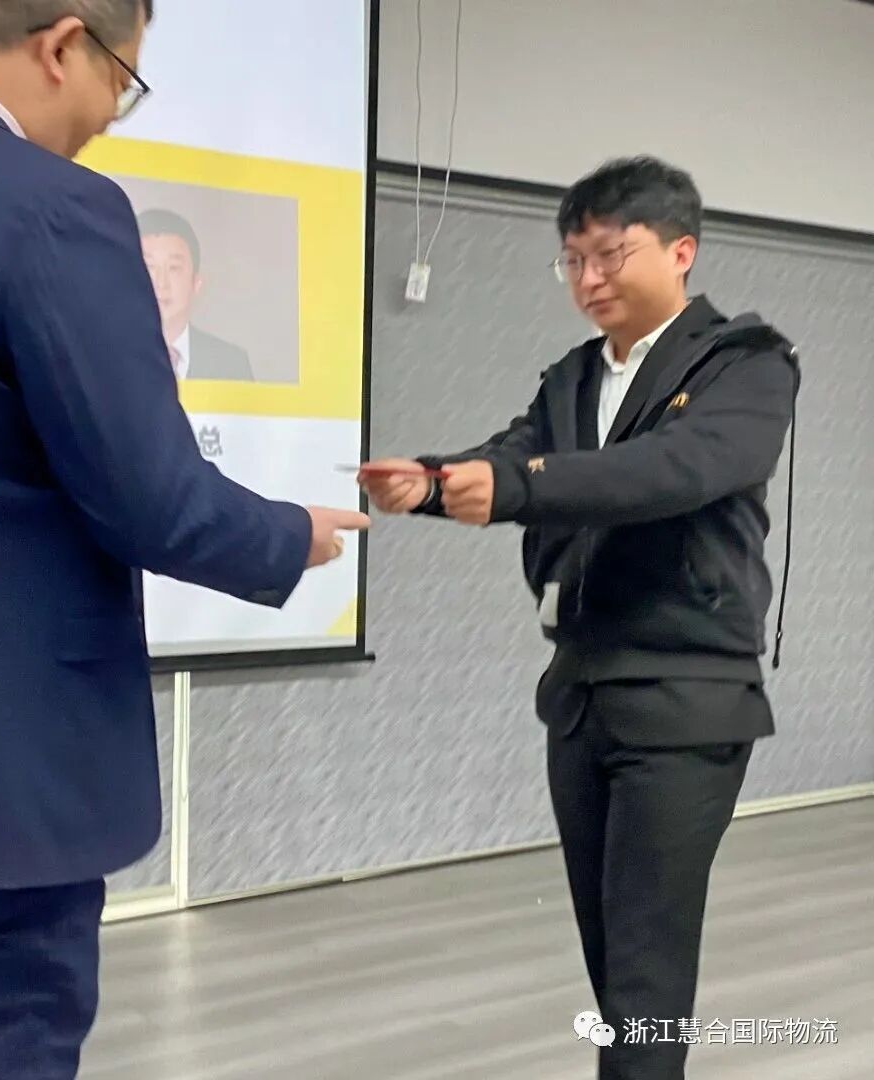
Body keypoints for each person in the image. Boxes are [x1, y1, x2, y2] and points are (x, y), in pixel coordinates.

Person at [0, 2, 367, 1078]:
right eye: (122, 80)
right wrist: (291, 535)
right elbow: (151, 498)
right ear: (63, 45)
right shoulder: (52, 208)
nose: (111, 115)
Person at [360, 156, 799, 1080]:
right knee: (612, 964)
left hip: (685, 698)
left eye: (610, 255)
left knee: (645, 972)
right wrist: (430, 483)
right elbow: (515, 454)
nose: (589, 279)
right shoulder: (573, 376)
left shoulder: (747, 364)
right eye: (572, 261)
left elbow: (669, 471)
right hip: (582, 696)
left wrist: (518, 485)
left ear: (681, 251)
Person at [137, 207, 255, 381]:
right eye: (149, 267)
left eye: (174, 268)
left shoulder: (231, 363)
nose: (161, 284)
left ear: (196, 283)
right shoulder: (104, 354)